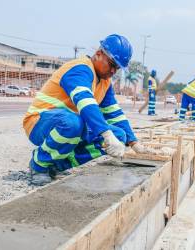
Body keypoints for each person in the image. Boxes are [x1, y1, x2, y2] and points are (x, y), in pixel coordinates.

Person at [23, 34, 152, 185]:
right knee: (74, 123)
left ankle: (56, 165)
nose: (113, 71)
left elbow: (115, 114)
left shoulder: (105, 82)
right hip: (39, 123)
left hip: (71, 126)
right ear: (98, 54)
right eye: (111, 64)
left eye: (116, 68)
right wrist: (106, 134)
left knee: (119, 135)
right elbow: (85, 102)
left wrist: (134, 143)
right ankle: (39, 164)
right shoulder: (79, 69)